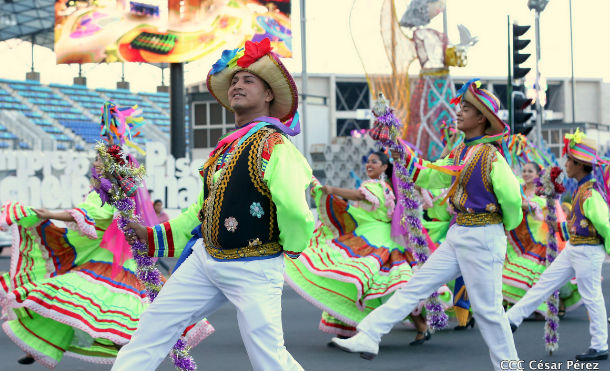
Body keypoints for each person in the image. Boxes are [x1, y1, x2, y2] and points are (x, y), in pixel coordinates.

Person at [111, 38, 314, 371]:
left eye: (248, 80)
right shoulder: (227, 149)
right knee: (151, 329)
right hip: (205, 260)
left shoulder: (276, 145)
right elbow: (202, 211)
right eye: (234, 80)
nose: (237, 84)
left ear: (268, 95)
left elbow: (294, 208)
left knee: (268, 357)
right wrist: (153, 236)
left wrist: (289, 249)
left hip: (255, 266)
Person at [331, 79, 522, 371]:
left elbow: (512, 198)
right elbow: (432, 175)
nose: (458, 112)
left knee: (488, 312)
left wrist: (502, 226)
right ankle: (369, 334)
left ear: (482, 118)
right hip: (461, 234)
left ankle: (510, 367)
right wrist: (398, 149)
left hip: (483, 234)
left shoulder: (491, 156)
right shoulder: (462, 151)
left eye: (466, 109)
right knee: (416, 286)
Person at [0, 155, 213, 368]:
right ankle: (43, 344)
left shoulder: (109, 192)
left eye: (99, 161)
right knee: (72, 303)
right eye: (95, 161)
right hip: (111, 259)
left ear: (110, 167)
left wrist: (50, 213)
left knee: (99, 309)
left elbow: (90, 214)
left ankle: (123, 358)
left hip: (117, 264)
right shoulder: (115, 191)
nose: (95, 164)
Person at [285, 151, 440, 346]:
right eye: (368, 162)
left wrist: (332, 189)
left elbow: (359, 195)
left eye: (374, 162)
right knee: (356, 280)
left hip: (375, 242)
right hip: (373, 237)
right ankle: (345, 331)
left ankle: (421, 327)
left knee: (369, 281)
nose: (370, 165)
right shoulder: (385, 188)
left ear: (384, 167)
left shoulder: (375, 186)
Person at [507, 130, 609, 361]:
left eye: (569, 161)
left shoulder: (590, 194)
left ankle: (600, 344)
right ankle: (512, 319)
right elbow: (577, 224)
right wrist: (552, 224)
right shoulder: (582, 190)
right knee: (544, 283)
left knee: (592, 296)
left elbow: (604, 224)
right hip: (575, 248)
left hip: (588, 251)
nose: (565, 164)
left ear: (580, 165)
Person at [502, 162, 581, 317]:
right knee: (516, 270)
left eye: (530, 171)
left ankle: (551, 304)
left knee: (540, 272)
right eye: (524, 170)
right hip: (522, 237)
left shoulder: (541, 192)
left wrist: (522, 204)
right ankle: (526, 306)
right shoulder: (520, 189)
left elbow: (537, 207)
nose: (526, 174)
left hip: (540, 240)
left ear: (538, 174)